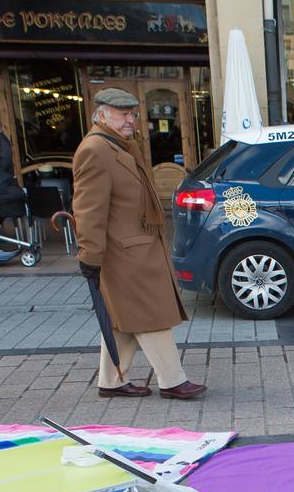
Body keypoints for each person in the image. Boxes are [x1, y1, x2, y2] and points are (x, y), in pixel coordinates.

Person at [73, 87, 206, 400]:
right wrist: (89, 255)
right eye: (123, 114)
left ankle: (111, 381)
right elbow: (88, 210)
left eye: (132, 114)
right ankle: (172, 380)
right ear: (102, 115)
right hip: (123, 252)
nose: (130, 119)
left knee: (125, 318)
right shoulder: (95, 149)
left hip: (137, 246)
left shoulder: (120, 145)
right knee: (150, 313)